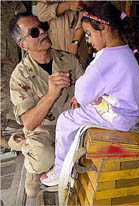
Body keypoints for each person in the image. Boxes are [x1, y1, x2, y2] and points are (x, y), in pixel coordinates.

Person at [40, 1, 139, 187]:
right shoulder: (128, 52)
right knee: (89, 108)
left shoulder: (105, 58)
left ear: (104, 28)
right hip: (132, 113)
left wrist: (79, 99)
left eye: (89, 34)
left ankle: (59, 170)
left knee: (66, 119)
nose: (88, 40)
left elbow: (82, 92)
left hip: (116, 117)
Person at [8, 12, 83, 197]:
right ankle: (32, 163)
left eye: (42, 26)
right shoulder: (19, 76)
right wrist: (51, 95)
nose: (42, 31)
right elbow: (29, 123)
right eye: (34, 32)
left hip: (73, 122)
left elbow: (87, 94)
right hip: (44, 129)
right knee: (43, 158)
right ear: (23, 45)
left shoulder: (69, 60)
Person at [37, 0, 91, 68]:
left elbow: (85, 18)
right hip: (55, 47)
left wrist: (75, 44)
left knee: (81, 71)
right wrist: (67, 5)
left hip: (77, 45)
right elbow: (42, 14)